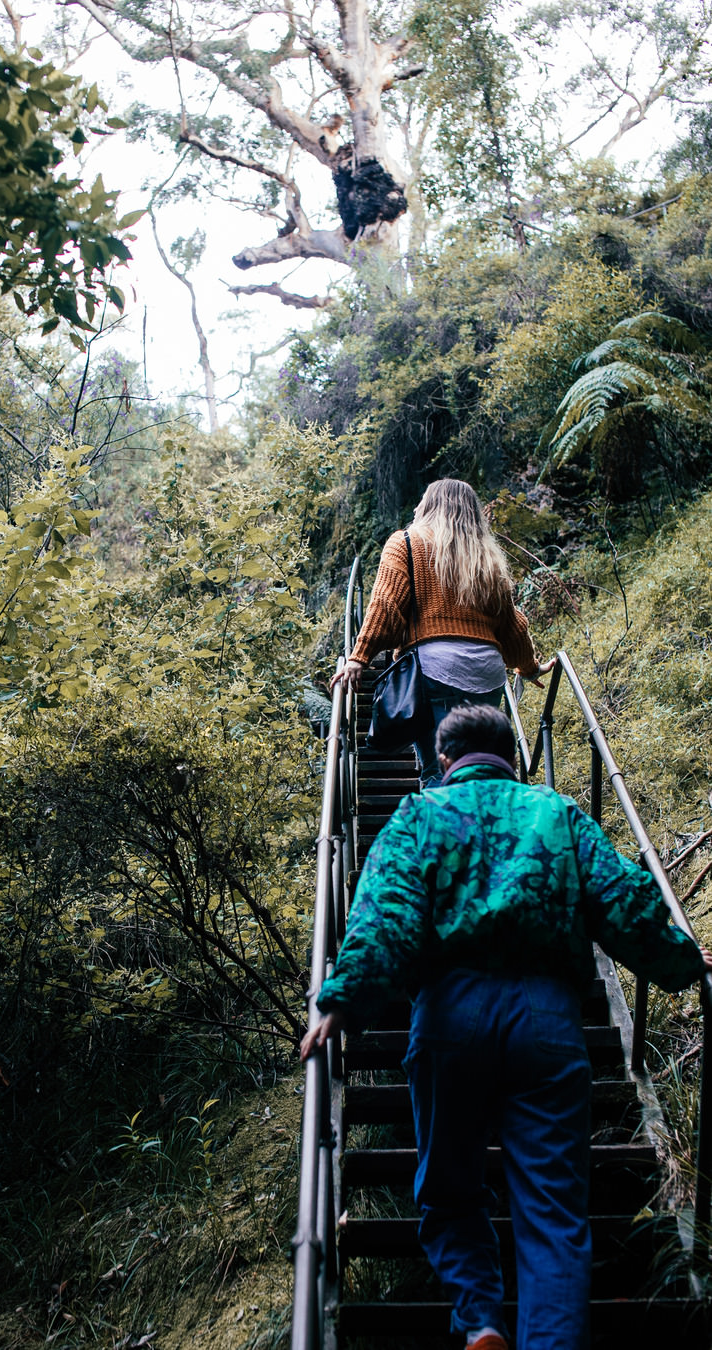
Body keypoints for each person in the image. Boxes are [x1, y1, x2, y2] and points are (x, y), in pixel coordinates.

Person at [300, 703, 712, 1350]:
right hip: (548, 1020)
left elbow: (387, 914)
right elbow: (622, 899)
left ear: (443, 759)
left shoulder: (418, 816)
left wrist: (341, 999)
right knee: (552, 1213)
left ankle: (482, 1320)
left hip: (449, 1015)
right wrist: (684, 959)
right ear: (510, 756)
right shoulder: (555, 812)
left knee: (450, 1193)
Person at [331, 479, 554, 785]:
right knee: (479, 770)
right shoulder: (486, 557)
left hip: (435, 670)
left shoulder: (406, 543)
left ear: (428, 505)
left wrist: (360, 657)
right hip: (486, 674)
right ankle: (486, 828)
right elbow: (509, 625)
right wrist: (528, 667)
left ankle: (444, 830)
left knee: (439, 771)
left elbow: (386, 604)